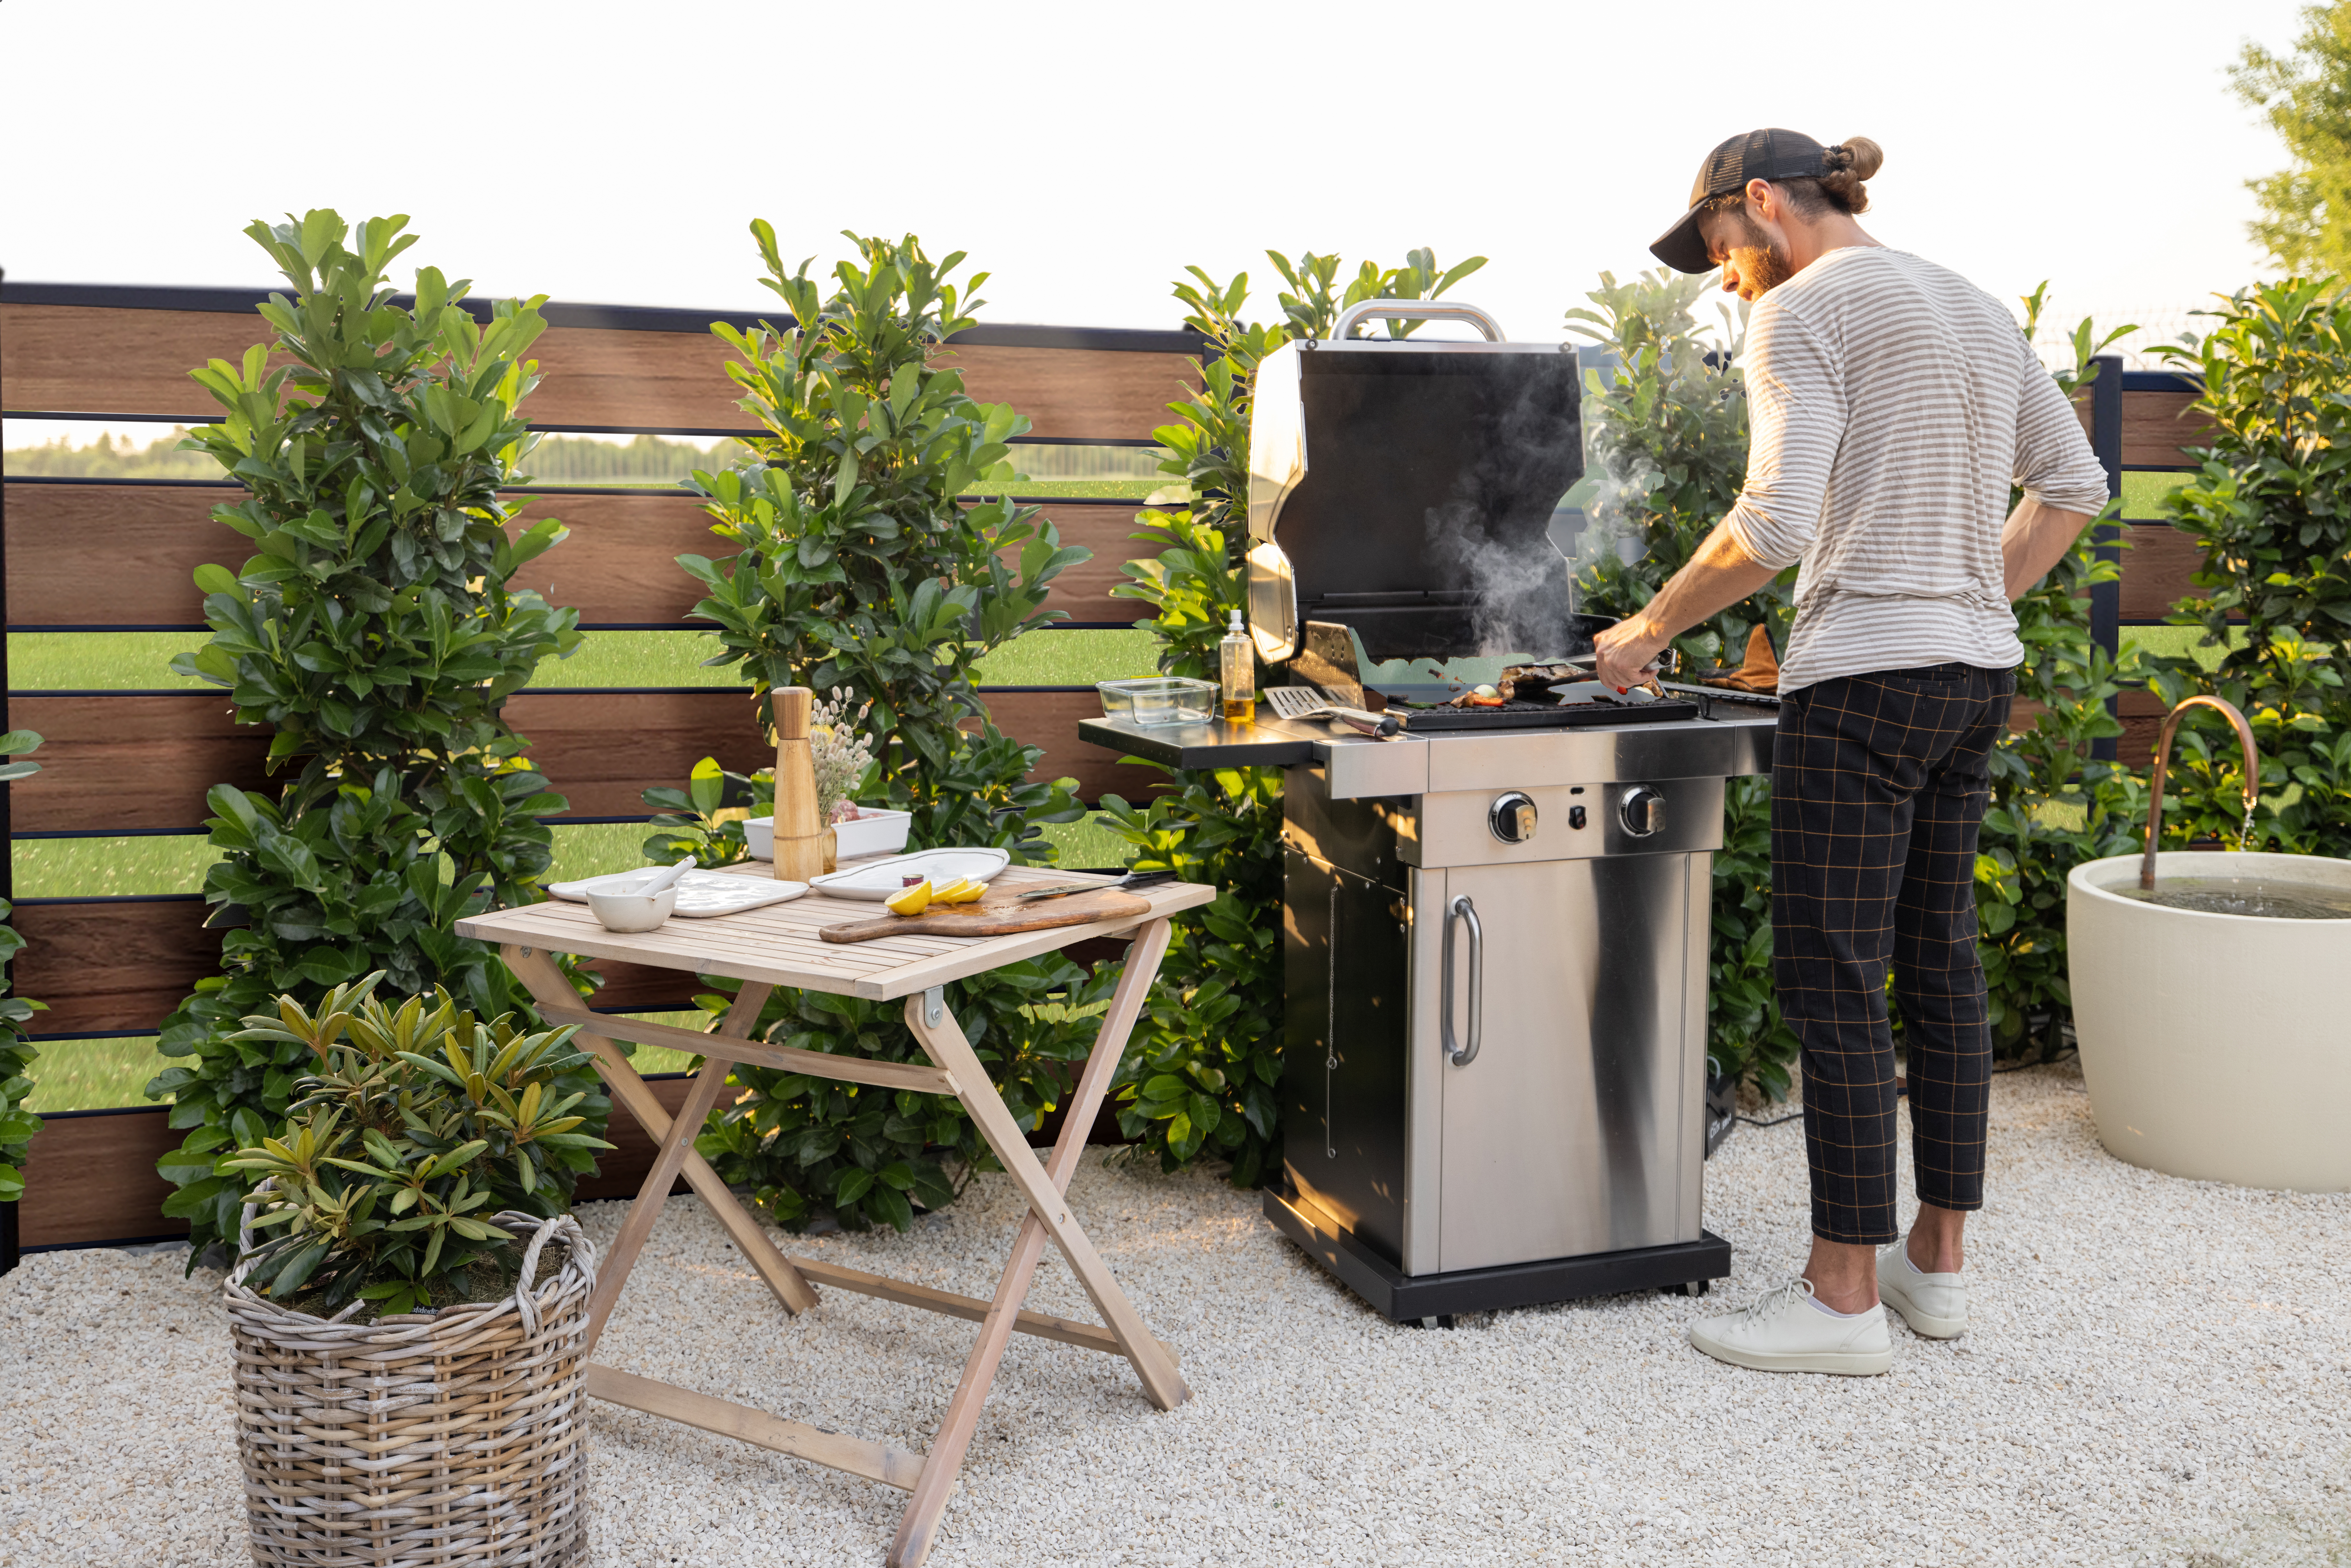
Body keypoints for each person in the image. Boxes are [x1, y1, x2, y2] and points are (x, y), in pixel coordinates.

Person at [1592, 128, 2110, 1375]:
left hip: (1864, 684)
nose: (1722, 278)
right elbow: (2074, 483)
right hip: (1970, 677)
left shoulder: (1801, 309)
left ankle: (1836, 1301)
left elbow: (1771, 520)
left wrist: (1646, 628)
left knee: (1832, 973)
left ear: (1761, 205)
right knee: (1939, 963)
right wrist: (1963, 595)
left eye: (1718, 248)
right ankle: (1933, 1268)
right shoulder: (1975, 306)